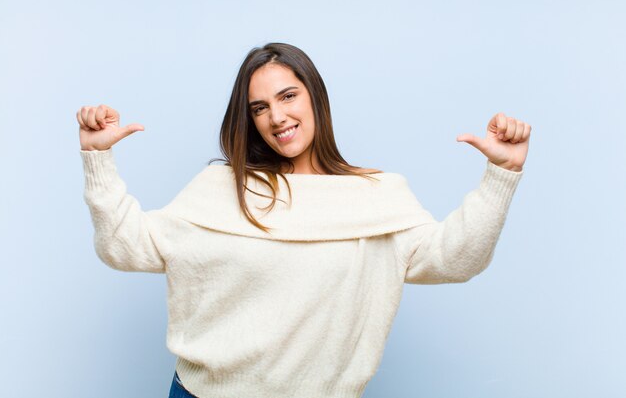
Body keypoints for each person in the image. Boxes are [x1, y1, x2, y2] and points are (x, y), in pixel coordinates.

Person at [76, 42, 531, 398]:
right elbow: (124, 246)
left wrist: (501, 175)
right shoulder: (221, 188)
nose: (276, 117)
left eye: (288, 96)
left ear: (315, 97)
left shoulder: (375, 196)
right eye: (259, 108)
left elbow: (456, 259)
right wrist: (98, 158)